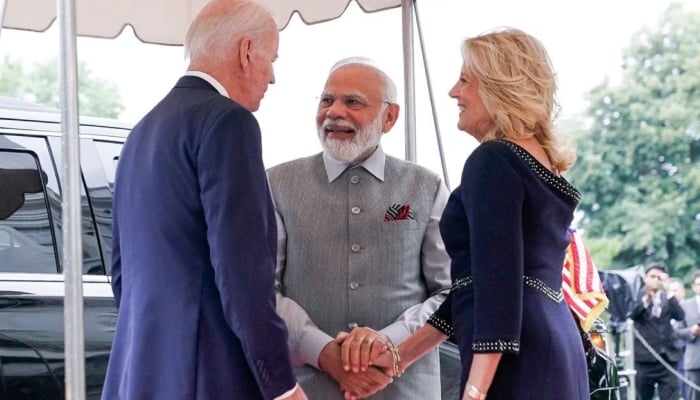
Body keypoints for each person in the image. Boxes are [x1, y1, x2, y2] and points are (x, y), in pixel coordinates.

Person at [338, 27, 590, 400]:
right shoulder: (540, 162)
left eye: (465, 80)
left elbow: (498, 289)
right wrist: (399, 359)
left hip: (514, 362)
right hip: (554, 344)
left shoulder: (492, 160)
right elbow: (477, 285)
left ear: (497, 86)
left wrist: (474, 392)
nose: (454, 92)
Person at [102, 1, 307, 399]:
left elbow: (121, 273)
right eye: (272, 60)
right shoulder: (229, 123)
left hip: (140, 372)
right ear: (247, 52)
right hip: (209, 375)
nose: (273, 77)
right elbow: (243, 275)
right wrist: (282, 386)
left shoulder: (141, 132)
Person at [267, 57, 452, 399]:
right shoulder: (276, 184)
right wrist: (323, 351)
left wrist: (388, 343)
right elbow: (262, 290)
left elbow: (450, 292)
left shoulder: (427, 186)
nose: (334, 112)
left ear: (390, 117)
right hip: (305, 390)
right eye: (326, 100)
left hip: (406, 390)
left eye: (352, 101)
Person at [630, 262, 685, 400]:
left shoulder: (667, 297)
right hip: (644, 360)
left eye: (659, 277)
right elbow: (632, 314)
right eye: (652, 276)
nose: (655, 280)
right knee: (643, 396)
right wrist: (646, 299)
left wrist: (669, 292)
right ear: (645, 278)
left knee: (671, 396)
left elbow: (680, 315)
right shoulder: (638, 295)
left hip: (667, 358)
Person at [677, 270, 700, 400]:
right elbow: (678, 331)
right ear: (693, 286)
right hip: (694, 360)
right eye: (699, 284)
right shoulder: (685, 306)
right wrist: (692, 331)